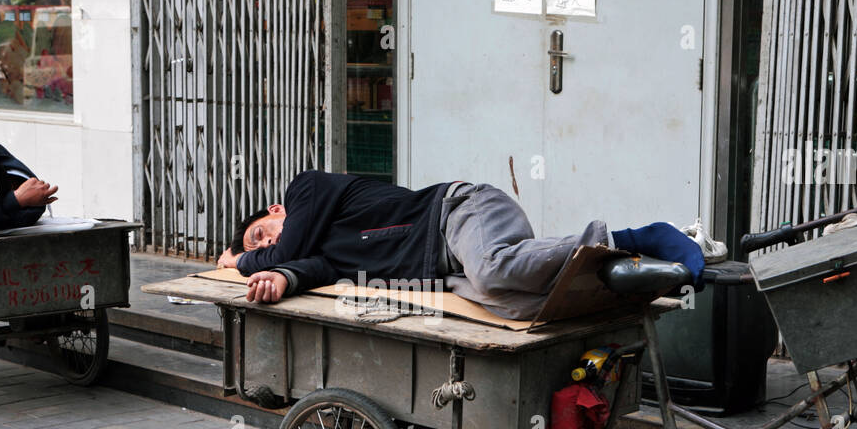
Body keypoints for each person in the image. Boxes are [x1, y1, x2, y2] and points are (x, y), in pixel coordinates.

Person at [216, 170, 705, 320]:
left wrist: (242, 260)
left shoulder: (306, 190)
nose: (267, 243)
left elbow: (281, 250)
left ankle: (639, 238)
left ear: (276, 211)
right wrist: (281, 275)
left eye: (260, 232)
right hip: (448, 271)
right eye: (256, 244)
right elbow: (308, 267)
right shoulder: (319, 251)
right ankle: (631, 280)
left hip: (460, 213)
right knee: (517, 307)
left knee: (495, 270)